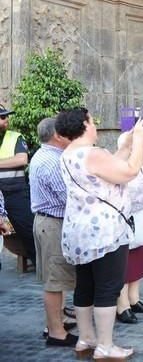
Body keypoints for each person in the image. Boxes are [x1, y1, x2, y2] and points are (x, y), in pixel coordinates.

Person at [56, 107, 143, 361]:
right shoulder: (92, 153)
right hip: (105, 231)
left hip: (79, 231)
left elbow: (110, 167)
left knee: (85, 286)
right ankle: (105, 345)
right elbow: (128, 171)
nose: (95, 125)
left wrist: (127, 145)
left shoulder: (69, 153)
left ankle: (86, 338)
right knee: (108, 287)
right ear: (84, 125)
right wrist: (137, 142)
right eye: (92, 121)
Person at [28, 117, 77, 347]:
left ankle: (57, 323)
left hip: (48, 222)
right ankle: (56, 332)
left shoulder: (46, 155)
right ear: (57, 135)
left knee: (55, 278)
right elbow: (68, 199)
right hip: (53, 224)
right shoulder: (53, 162)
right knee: (54, 281)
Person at [115, 132, 143, 325]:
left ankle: (134, 298)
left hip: (142, 218)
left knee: (139, 259)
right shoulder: (121, 167)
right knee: (125, 263)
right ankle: (122, 305)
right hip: (127, 219)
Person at [0, 104, 35, 265]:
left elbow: (21, 159)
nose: (6, 119)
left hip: (15, 193)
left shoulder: (15, 137)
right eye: (2, 117)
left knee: (29, 230)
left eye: (6, 116)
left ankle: (39, 264)